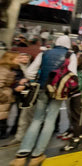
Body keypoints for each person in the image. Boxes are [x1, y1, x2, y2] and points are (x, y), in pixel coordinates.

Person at [9, 35, 77, 166]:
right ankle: (37, 155)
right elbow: (72, 74)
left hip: (41, 88)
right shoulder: (70, 55)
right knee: (50, 120)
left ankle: (22, 155)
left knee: (36, 119)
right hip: (58, 91)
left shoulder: (44, 53)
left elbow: (30, 73)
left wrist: (37, 79)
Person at [61, 54, 82, 151]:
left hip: (78, 96)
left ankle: (75, 139)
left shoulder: (80, 72)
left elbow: (79, 86)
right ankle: (80, 135)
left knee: (77, 118)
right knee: (80, 117)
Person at [0, 52, 17, 139]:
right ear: (10, 60)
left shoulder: (8, 69)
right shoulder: (4, 70)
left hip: (5, 97)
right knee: (2, 116)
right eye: (16, 59)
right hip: (3, 98)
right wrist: (4, 98)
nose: (18, 60)